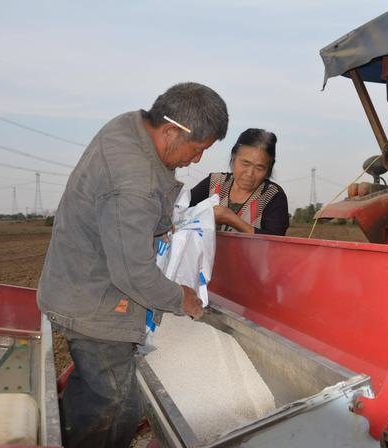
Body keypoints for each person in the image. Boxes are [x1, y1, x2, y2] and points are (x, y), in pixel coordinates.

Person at [37, 82, 228, 448]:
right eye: (198, 149)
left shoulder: (130, 125)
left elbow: (141, 210)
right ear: (171, 130)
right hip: (93, 303)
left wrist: (160, 222)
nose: (198, 160)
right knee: (114, 406)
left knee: (98, 391)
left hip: (76, 282)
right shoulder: (133, 183)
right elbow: (132, 273)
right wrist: (182, 298)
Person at [190, 128, 289, 235]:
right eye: (245, 163)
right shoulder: (214, 183)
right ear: (233, 158)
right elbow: (181, 211)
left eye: (259, 168)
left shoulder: (273, 196)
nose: (249, 173)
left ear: (269, 168)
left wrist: (233, 220)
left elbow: (275, 243)